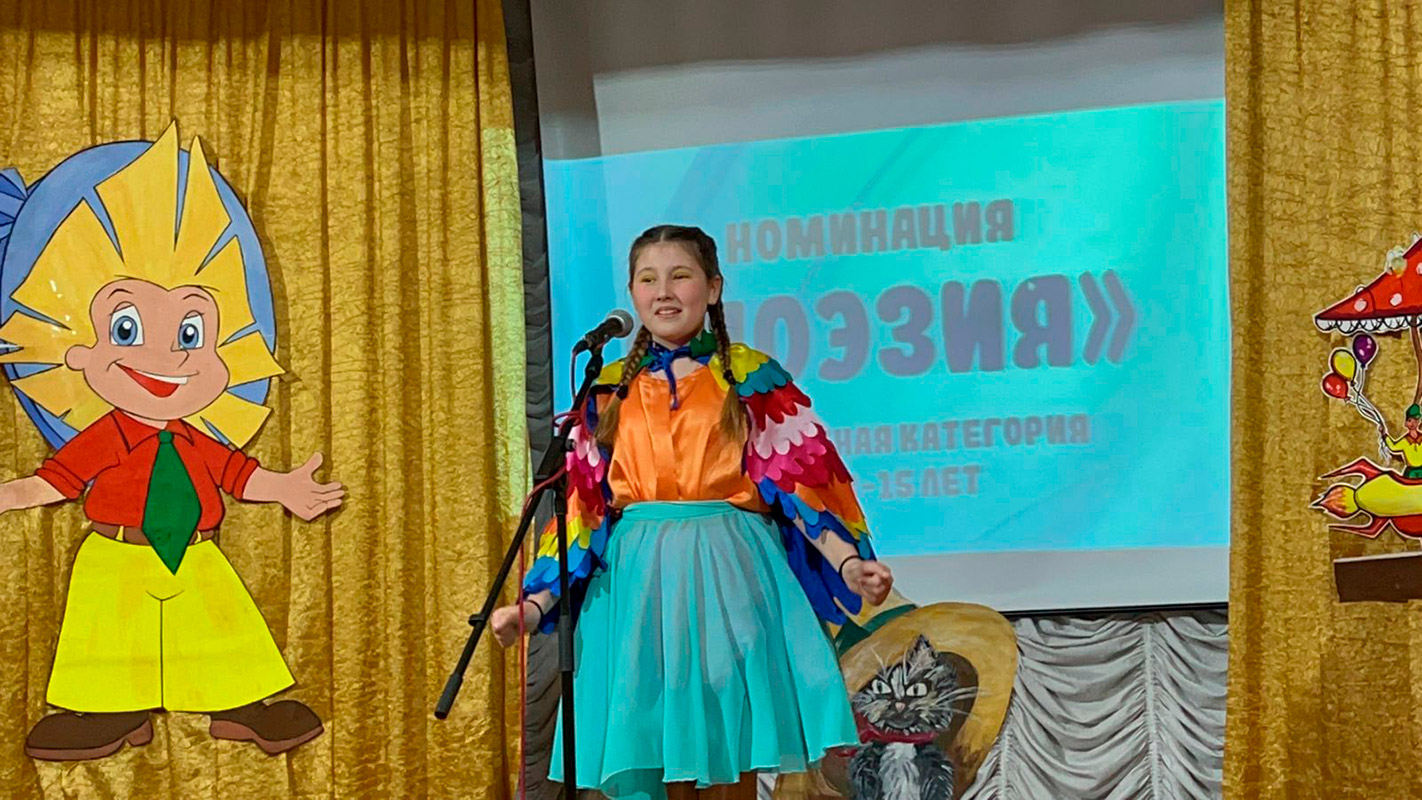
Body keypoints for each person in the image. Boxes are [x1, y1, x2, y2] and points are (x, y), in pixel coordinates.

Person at [491, 224, 893, 800]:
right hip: (636, 590)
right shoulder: (606, 390)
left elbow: (803, 486)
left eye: (680, 276)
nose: (664, 292)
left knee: (728, 749)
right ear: (632, 293)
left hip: (730, 580)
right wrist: (534, 606)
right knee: (651, 747)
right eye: (648, 279)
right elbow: (581, 511)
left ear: (713, 287)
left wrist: (850, 564)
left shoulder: (749, 378)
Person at [0, 127, 343, 761]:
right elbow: (56, 481)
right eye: (127, 328)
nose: (167, 358)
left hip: (194, 551)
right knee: (107, 634)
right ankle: (112, 714)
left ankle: (240, 707)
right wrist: (7, 495)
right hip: (117, 554)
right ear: (80, 350)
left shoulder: (194, 438)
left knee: (219, 620)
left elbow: (237, 473)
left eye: (190, 332)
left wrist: (285, 488)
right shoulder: (106, 434)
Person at [1382, 404, 1422, 479]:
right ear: (1406, 423)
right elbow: (1393, 447)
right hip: (1410, 472)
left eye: (1415, 420)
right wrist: (1385, 435)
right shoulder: (1405, 440)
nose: (1412, 423)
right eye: (1410, 420)